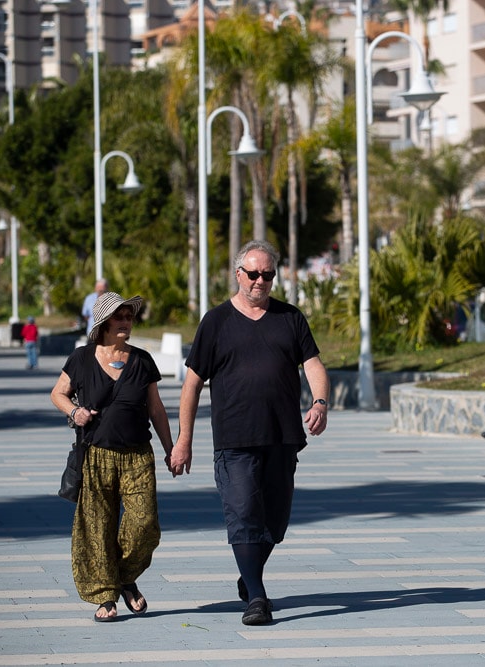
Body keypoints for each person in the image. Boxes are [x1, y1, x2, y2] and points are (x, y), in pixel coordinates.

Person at [169, 239, 330, 627]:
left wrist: (320, 402)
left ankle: (249, 571)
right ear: (238, 274)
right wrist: (183, 440)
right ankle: (257, 597)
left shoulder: (290, 318)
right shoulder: (216, 322)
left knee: (274, 522)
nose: (260, 281)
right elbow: (192, 385)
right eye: (253, 273)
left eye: (268, 274)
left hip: (282, 436)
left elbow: (313, 365)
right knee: (243, 515)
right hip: (234, 439)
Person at [50, 291, 174, 623]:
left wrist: (171, 449)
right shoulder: (81, 358)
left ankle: (123, 577)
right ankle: (106, 595)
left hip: (137, 456)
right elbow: (58, 393)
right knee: (97, 528)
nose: (125, 322)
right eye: (118, 317)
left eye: (129, 317)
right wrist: (74, 412)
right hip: (96, 455)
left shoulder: (143, 360)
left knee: (144, 524)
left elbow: (157, 409)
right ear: (103, 321)